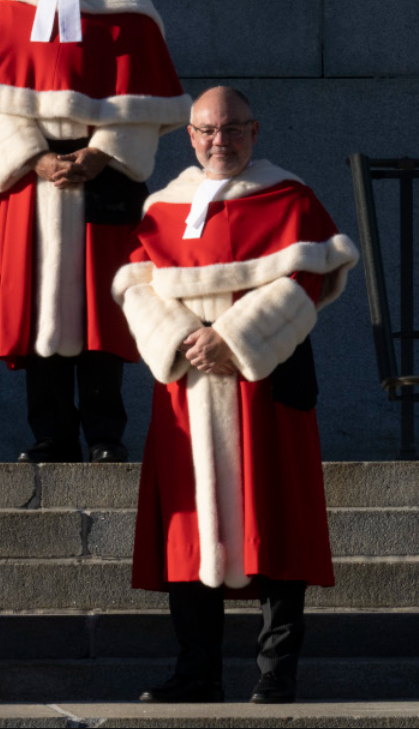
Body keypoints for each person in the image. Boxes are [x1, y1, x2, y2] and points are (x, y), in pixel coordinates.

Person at [115, 86, 357, 705]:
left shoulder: (290, 196)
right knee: (191, 533)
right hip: (188, 390)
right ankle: (197, 671)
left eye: (232, 129)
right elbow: (138, 283)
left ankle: (277, 671)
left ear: (255, 131)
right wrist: (184, 336)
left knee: (276, 522)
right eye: (206, 131)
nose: (218, 141)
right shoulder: (164, 204)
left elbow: (308, 277)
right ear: (190, 136)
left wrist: (234, 337)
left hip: (266, 381)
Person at [0, 0, 188, 464]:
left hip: (106, 176)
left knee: (107, 306)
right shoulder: (10, 7)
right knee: (40, 311)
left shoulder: (124, 2)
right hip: (36, 184)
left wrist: (105, 152)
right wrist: (33, 157)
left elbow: (143, 97)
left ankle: (105, 433)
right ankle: (51, 434)